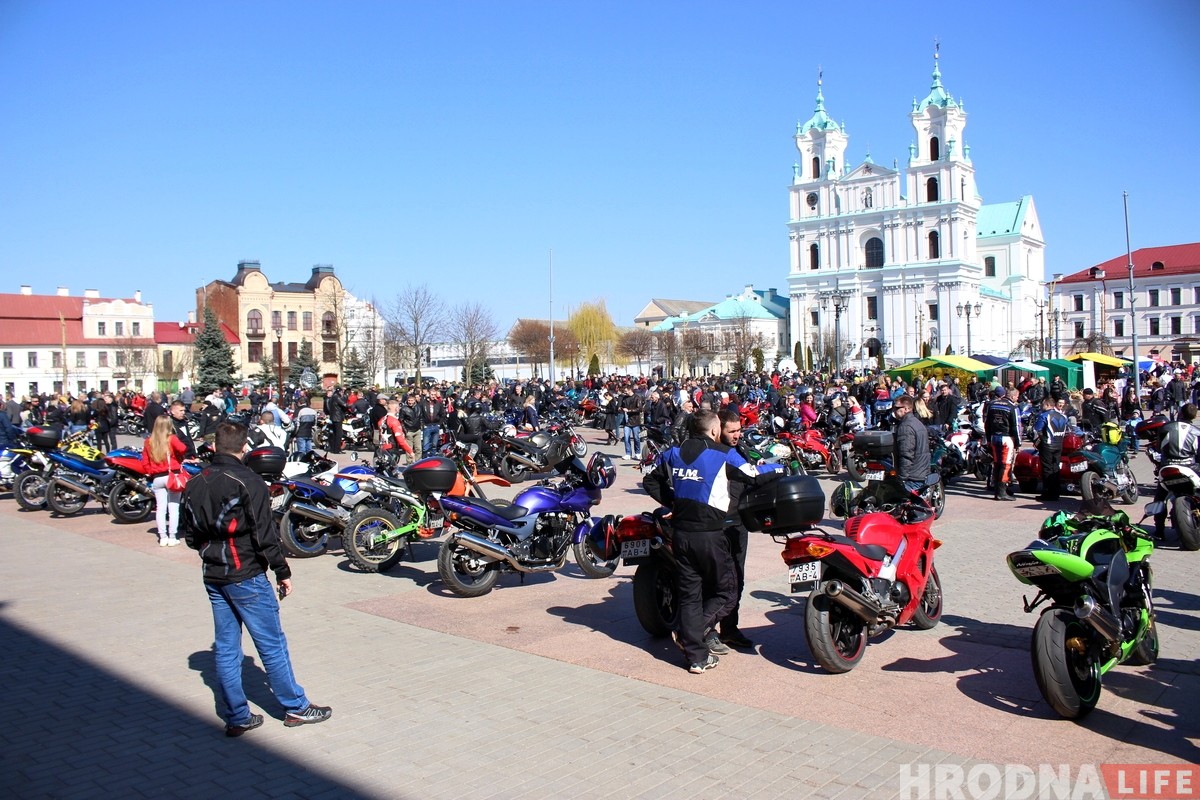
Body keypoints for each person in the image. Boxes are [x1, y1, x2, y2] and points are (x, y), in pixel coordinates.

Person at [180, 422, 332, 736]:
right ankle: (295, 707)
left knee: (226, 647)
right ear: (244, 447)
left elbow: (190, 535)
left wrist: (209, 549)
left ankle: (237, 715)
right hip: (245, 574)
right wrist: (282, 571)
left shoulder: (195, 481)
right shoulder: (248, 481)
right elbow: (265, 535)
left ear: (215, 446)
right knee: (272, 645)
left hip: (214, 573)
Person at [642, 410, 780, 674]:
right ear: (715, 430)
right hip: (710, 535)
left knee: (690, 596)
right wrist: (781, 467)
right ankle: (691, 635)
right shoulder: (722, 454)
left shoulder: (673, 453)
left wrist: (674, 503)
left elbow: (649, 479)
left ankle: (697, 658)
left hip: (682, 534)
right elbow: (754, 475)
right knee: (727, 592)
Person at [715, 409, 754, 649]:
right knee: (716, 580)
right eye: (732, 431)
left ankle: (729, 629)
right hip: (716, 524)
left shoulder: (740, 449)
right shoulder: (713, 452)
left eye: (739, 430)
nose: (737, 435)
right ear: (718, 430)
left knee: (737, 578)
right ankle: (707, 630)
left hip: (738, 523)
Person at [1151, 403, 1200, 540]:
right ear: (1194, 416)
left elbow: (1158, 448)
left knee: (1160, 498)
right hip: (1190, 467)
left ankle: (1159, 530)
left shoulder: (1165, 427)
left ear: (1181, 413)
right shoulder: (1196, 432)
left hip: (1167, 467)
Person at [141, 415, 190, 546]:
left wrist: (151, 471)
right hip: (172, 476)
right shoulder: (171, 438)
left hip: (157, 478)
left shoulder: (149, 441)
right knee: (173, 508)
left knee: (160, 508)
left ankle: (162, 537)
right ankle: (172, 536)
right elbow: (183, 449)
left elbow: (145, 462)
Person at [985, 386, 1022, 501]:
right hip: (1006, 438)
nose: (1017, 399)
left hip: (994, 437)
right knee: (1006, 464)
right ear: (1012, 396)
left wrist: (988, 439)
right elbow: (1016, 426)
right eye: (1017, 396)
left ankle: (998, 489)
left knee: (997, 463)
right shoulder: (1012, 407)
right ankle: (1001, 492)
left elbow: (987, 423)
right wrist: (1018, 443)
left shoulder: (992, 404)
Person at [1031, 396, 1069, 502]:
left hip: (1047, 445)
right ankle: (1056, 492)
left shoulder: (1044, 415)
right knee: (1056, 468)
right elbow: (1066, 430)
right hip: (1059, 445)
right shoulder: (1063, 416)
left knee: (1047, 469)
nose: (1042, 406)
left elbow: (1036, 430)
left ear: (1048, 405)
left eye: (1043, 404)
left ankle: (1048, 493)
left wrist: (1036, 441)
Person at [892, 396, 931, 494]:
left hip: (912, 478)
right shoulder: (917, 423)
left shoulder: (906, 427)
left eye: (896, 408)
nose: (894, 410)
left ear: (906, 409)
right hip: (921, 474)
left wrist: (902, 478)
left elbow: (906, 455)